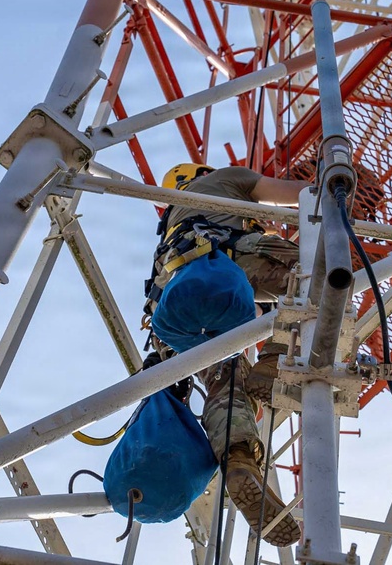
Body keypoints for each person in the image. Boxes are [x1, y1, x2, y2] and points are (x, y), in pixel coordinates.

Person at [145, 163, 309, 548]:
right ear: (202, 172)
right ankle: (275, 360)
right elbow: (303, 196)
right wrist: (338, 183)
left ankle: (238, 460)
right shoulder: (225, 179)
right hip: (226, 261)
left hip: (169, 312)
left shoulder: (171, 224)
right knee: (319, 273)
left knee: (227, 380)